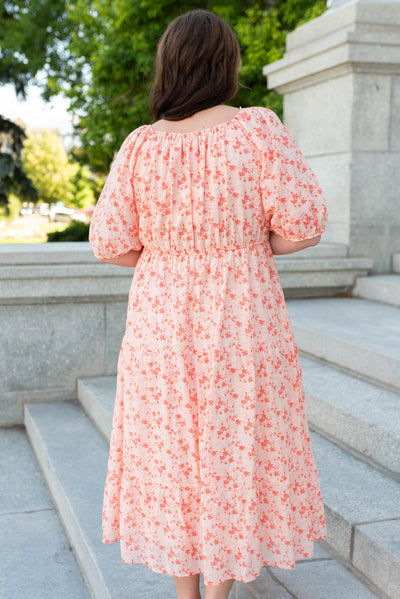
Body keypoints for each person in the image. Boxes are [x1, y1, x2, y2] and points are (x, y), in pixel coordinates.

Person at [89, 9, 328, 599]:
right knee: (232, 441)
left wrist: (170, 253)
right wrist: (247, 246)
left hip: (161, 318)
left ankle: (186, 595)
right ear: (228, 63)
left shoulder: (142, 144)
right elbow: (305, 225)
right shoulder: (257, 130)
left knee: (173, 450)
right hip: (241, 314)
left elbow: (110, 243)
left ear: (169, 65)